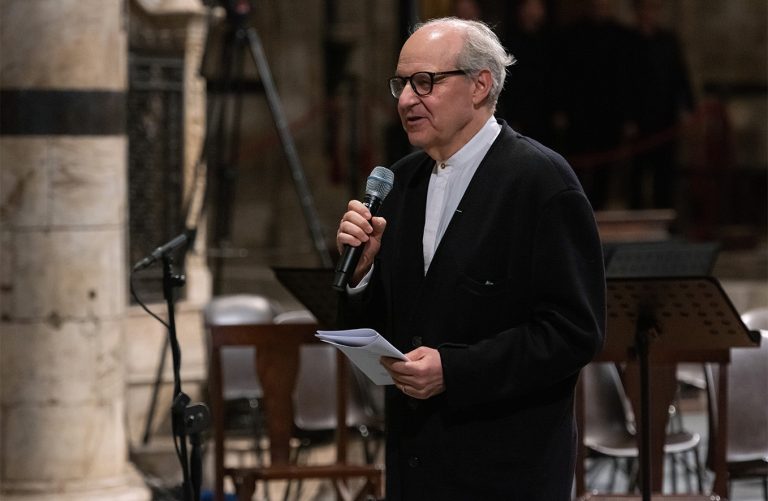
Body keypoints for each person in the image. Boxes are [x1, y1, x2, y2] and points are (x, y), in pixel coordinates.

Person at [335, 17, 605, 500]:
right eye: (401, 83)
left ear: (480, 85)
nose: (405, 100)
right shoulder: (400, 182)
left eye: (425, 82)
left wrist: (454, 371)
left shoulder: (540, 182)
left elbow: (573, 332)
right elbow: (393, 327)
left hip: (504, 468)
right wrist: (361, 275)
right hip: (416, 464)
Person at [627, 0, 695, 209]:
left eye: (653, 9)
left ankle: (665, 218)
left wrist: (688, 109)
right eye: (645, 9)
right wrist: (627, 118)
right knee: (637, 174)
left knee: (665, 173)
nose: (649, 14)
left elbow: (680, 76)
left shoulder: (668, 41)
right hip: (639, 118)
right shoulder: (628, 42)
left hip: (665, 117)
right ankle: (637, 218)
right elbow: (623, 82)